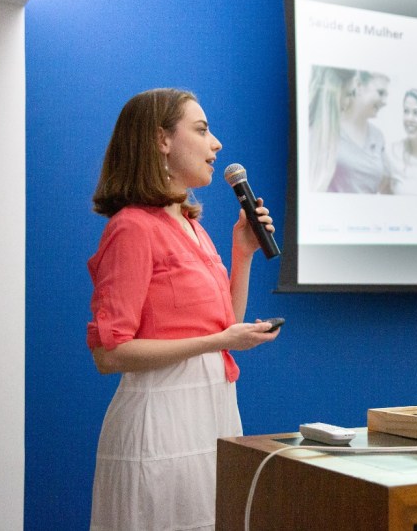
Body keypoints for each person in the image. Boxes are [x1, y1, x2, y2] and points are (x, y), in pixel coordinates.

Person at [86, 88, 280, 530]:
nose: (217, 144)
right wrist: (219, 340)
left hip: (211, 413)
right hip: (161, 424)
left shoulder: (193, 226)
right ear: (162, 140)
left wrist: (243, 251)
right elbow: (109, 354)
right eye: (202, 130)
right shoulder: (132, 227)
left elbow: (224, 326)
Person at [308, 66, 391, 193]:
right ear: (359, 86)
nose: (385, 102)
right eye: (380, 92)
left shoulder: (377, 136)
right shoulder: (324, 126)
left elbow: (386, 185)